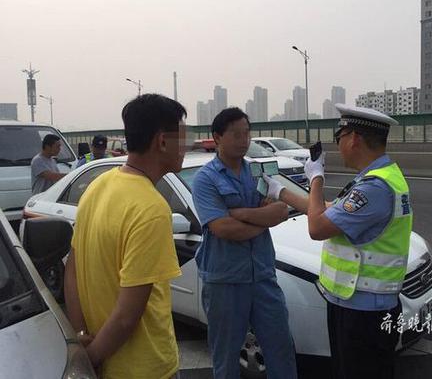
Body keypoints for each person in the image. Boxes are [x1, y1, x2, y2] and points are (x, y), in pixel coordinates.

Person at [263, 103, 413, 379]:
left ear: (354, 138)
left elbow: (317, 227)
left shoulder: (374, 187)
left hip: (364, 312)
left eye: (338, 136)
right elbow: (328, 211)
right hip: (357, 304)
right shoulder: (379, 178)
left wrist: (316, 177)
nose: (337, 144)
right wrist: (281, 191)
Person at [64, 94, 187, 379]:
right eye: (182, 139)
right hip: (146, 368)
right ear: (162, 141)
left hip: (102, 356)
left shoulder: (98, 185)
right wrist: (90, 360)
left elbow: (72, 269)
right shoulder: (151, 208)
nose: (186, 148)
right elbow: (126, 316)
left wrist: (82, 337)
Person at [192, 107, 297, 379]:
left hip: (262, 276)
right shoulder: (205, 179)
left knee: (281, 349)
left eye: (247, 134)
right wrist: (264, 219)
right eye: (236, 134)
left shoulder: (258, 172)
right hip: (225, 280)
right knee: (226, 357)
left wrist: (242, 214)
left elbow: (281, 210)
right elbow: (223, 228)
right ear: (217, 137)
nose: (243, 140)